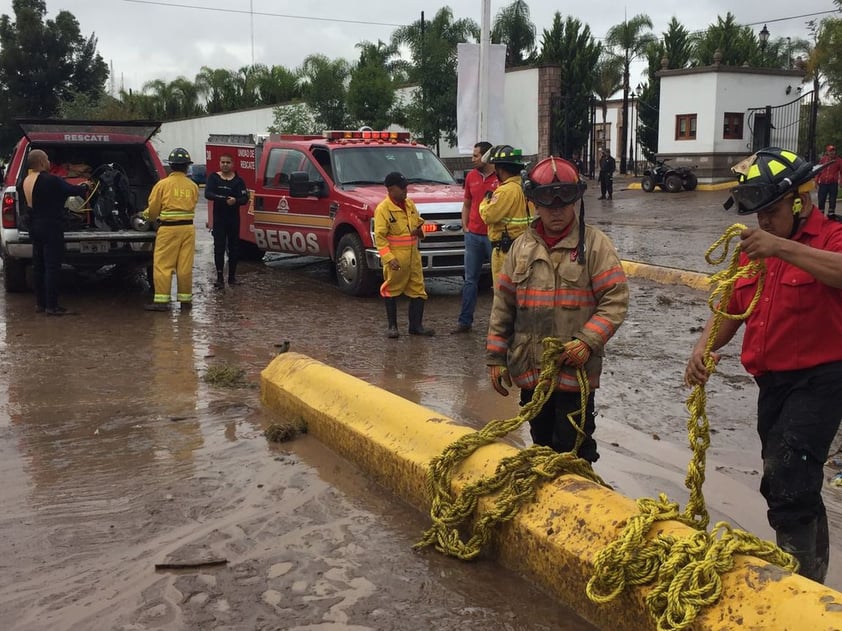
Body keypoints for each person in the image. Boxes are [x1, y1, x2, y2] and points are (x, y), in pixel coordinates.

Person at [685, 147, 842, 584]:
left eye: (770, 211)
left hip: (821, 380)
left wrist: (783, 248)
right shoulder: (754, 250)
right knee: (787, 481)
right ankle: (812, 576)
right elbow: (730, 309)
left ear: (800, 202)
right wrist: (702, 349)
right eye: (758, 214)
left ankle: (797, 582)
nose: (763, 222)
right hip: (772, 383)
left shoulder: (830, 237)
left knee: (788, 474)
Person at [486, 156, 629, 461]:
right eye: (548, 204)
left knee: (573, 450)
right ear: (535, 203)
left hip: (574, 378)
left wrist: (587, 341)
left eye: (564, 203)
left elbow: (615, 300)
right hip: (531, 374)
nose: (557, 211)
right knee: (540, 448)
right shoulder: (520, 249)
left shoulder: (596, 246)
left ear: (575, 200)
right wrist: (495, 358)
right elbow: (503, 308)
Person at [21, 149, 90, 316]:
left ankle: (41, 304)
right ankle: (52, 306)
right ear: (42, 162)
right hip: (51, 226)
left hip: (35, 226)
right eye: (46, 159)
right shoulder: (50, 180)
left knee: (39, 266)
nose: (49, 162)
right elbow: (74, 191)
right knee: (52, 267)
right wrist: (86, 186)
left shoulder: (27, 180)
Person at [373, 171, 435, 338]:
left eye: (406, 187)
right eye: (402, 188)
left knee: (418, 290)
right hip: (396, 259)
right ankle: (392, 327)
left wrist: (420, 231)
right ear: (391, 189)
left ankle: (416, 326)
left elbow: (419, 225)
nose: (405, 191)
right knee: (391, 289)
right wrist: (389, 258)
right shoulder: (383, 210)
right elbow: (380, 238)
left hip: (413, 256)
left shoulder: (409, 205)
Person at [144, 147, 199, 311]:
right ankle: (185, 301)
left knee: (163, 265)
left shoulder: (162, 185)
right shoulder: (193, 186)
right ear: (187, 166)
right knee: (185, 266)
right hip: (188, 229)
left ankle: (161, 302)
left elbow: (154, 210)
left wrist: (145, 216)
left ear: (171, 166)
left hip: (168, 229)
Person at [452, 141, 497, 334]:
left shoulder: (501, 178)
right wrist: (466, 226)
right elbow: (467, 203)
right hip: (474, 237)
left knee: (499, 281)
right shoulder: (471, 176)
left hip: (493, 237)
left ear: (486, 156)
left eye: (476, 155)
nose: (472, 159)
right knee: (470, 280)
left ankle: (498, 324)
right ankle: (465, 321)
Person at [479, 144, 531, 284]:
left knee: (503, 293)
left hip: (505, 253)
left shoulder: (505, 191)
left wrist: (485, 201)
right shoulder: (526, 188)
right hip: (526, 249)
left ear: (500, 169)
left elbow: (488, 216)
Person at [205, 153, 250, 288]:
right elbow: (208, 194)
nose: (225, 165)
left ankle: (232, 277)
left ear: (232, 164)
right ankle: (219, 278)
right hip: (219, 219)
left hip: (233, 219)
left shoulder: (238, 181)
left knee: (234, 249)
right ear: (219, 163)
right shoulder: (214, 178)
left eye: (228, 162)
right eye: (223, 162)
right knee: (218, 248)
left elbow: (245, 199)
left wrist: (235, 201)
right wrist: (223, 199)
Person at [816, 144, 841, 219]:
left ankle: (831, 214)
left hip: (833, 184)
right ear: (827, 152)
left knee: (832, 199)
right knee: (821, 199)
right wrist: (816, 179)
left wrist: (841, 182)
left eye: (833, 151)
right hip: (823, 183)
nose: (832, 152)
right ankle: (820, 215)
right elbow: (819, 170)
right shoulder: (823, 159)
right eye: (830, 151)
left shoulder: (839, 160)